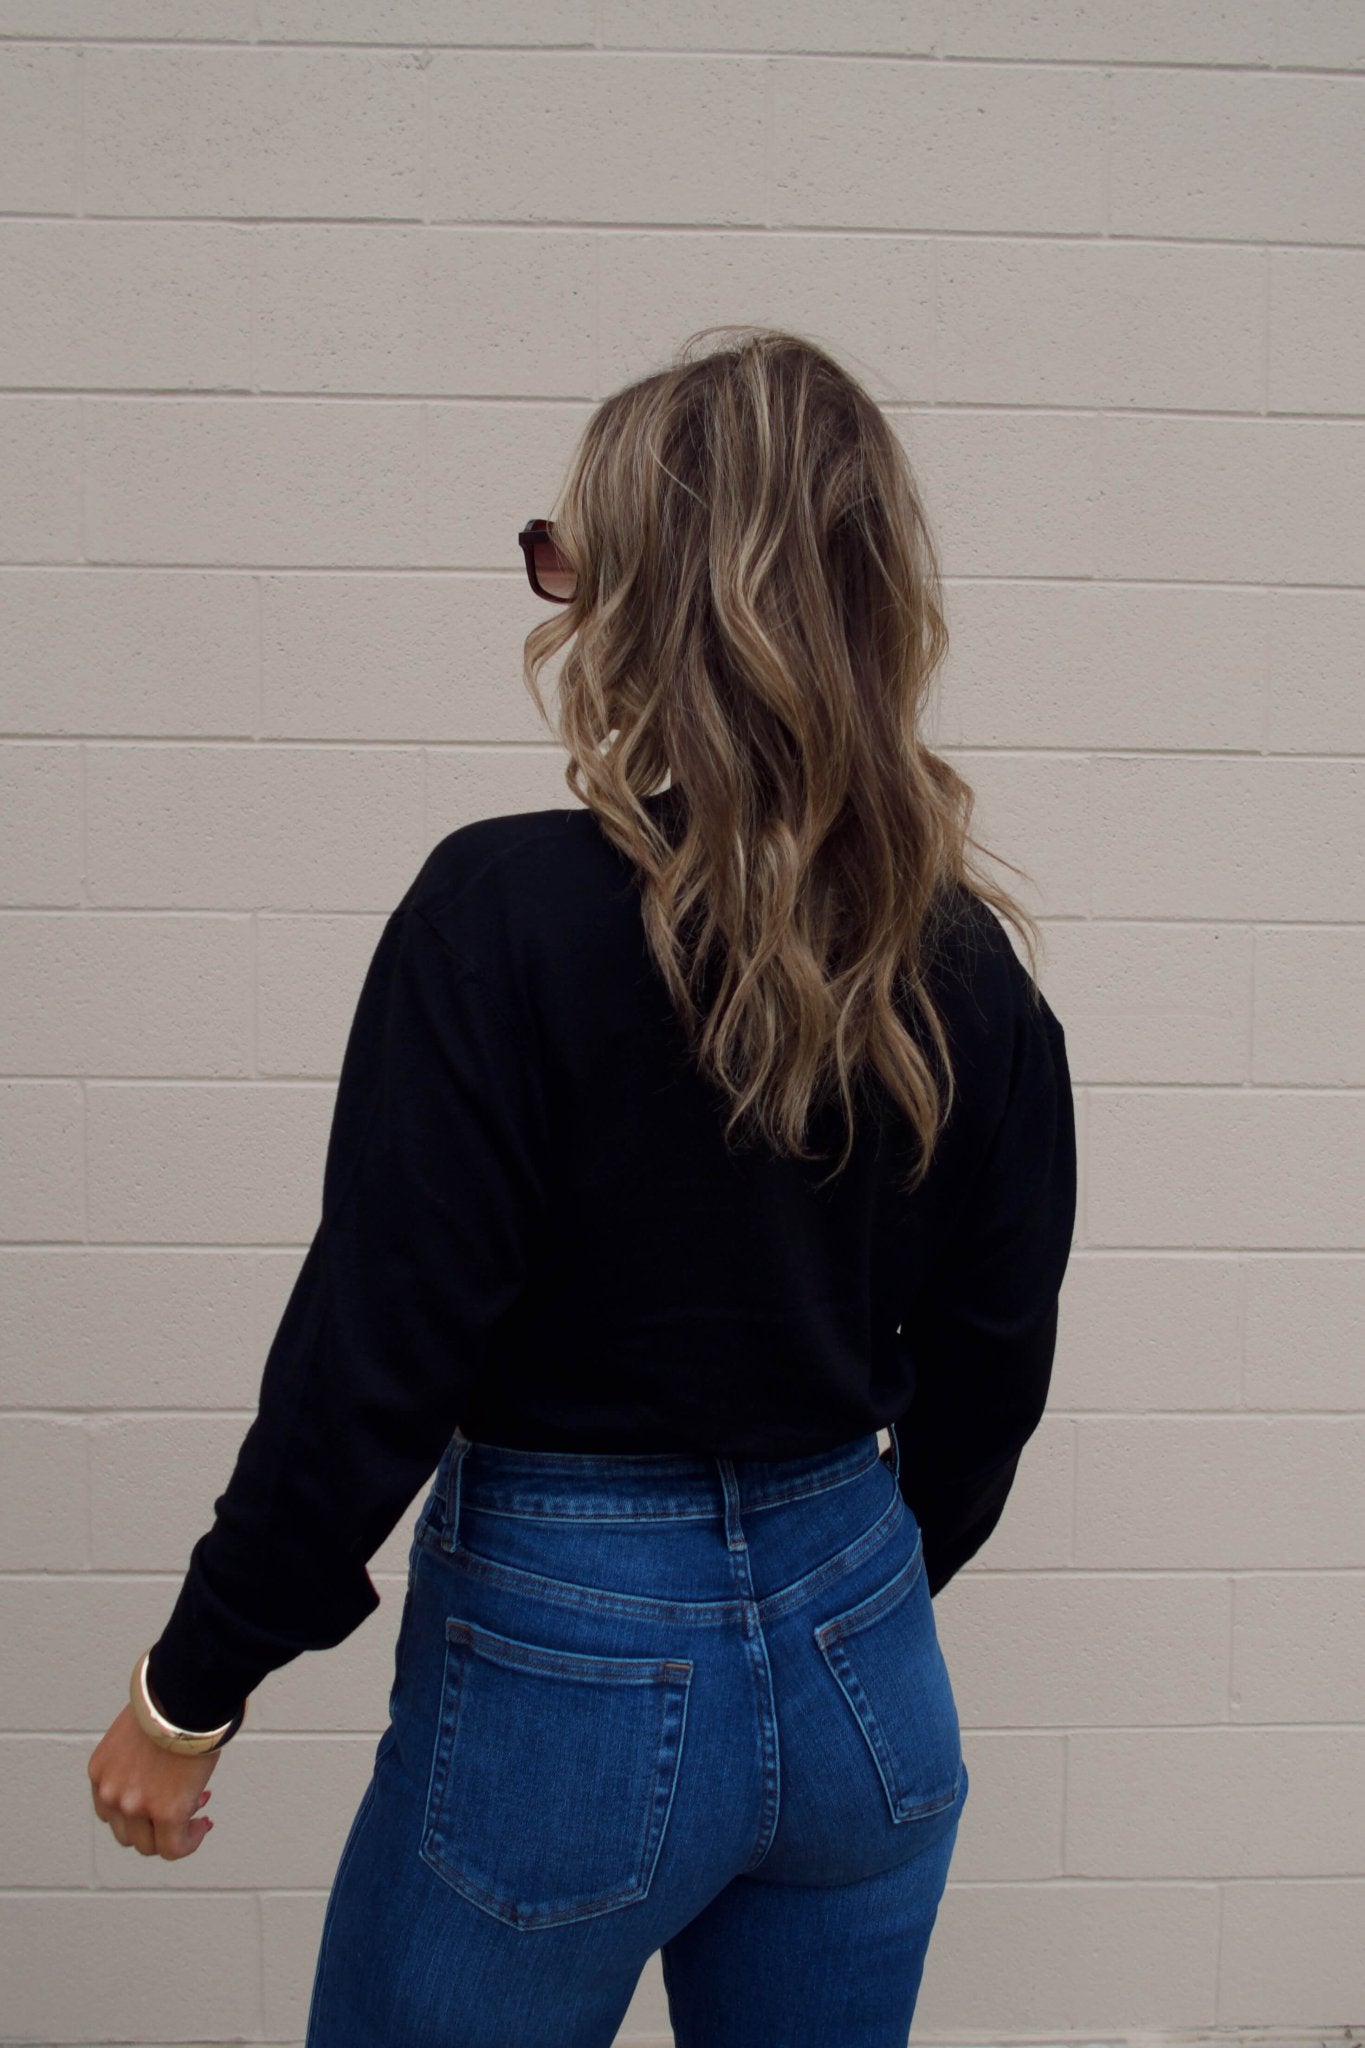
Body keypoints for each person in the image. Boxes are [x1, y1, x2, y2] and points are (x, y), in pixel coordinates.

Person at [86, 326, 1076, 2046]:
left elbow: (370, 1364)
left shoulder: (501, 916)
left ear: (643, 595)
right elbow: (992, 1369)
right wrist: (835, 1597)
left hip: (571, 1675)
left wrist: (189, 1694)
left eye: (571, 553)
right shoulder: (964, 957)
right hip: (869, 1658)